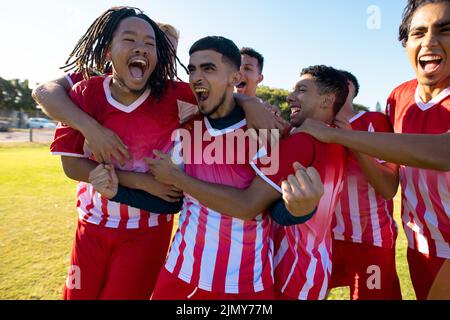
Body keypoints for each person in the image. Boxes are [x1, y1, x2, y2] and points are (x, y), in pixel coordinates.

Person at [89, 37, 324, 300]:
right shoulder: (185, 128)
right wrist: (117, 192)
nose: (196, 78)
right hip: (179, 273)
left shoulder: (264, 132)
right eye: (192, 70)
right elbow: (173, 201)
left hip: (244, 284)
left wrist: (300, 211)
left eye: (208, 68)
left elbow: (262, 208)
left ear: (234, 77)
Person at [298, 0, 450, 300]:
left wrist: (341, 137)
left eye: (444, 30)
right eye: (418, 32)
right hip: (419, 242)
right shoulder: (398, 96)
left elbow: (443, 152)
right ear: (405, 42)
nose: (429, 41)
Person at [49, 6, 197, 300]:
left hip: (148, 227)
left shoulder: (176, 94)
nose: (141, 48)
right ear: (107, 51)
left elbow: (220, 99)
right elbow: (71, 166)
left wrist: (251, 103)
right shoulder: (85, 92)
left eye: (150, 44)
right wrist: (141, 181)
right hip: (92, 223)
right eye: (129, 40)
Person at [329, 71, 402, 300]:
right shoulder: (316, 126)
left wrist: (351, 140)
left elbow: (388, 188)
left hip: (371, 238)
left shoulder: (374, 121)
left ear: (350, 87)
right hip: (326, 237)